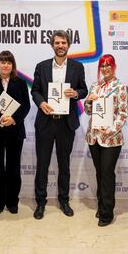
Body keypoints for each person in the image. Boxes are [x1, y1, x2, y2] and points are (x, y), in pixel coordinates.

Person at [31, 30, 88, 219]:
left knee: (64, 164)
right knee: (42, 164)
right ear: (52, 45)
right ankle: (40, 202)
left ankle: (64, 200)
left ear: (68, 45)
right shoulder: (42, 66)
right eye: (57, 43)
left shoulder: (77, 67)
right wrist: (41, 103)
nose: (60, 46)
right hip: (46, 122)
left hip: (66, 123)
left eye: (64, 43)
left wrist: (76, 94)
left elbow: (84, 89)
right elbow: (36, 90)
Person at [84, 54, 128, 227]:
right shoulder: (94, 86)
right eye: (102, 65)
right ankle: (101, 205)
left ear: (114, 66)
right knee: (100, 173)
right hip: (94, 136)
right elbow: (89, 111)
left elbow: (123, 114)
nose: (105, 68)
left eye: (108, 65)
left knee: (107, 174)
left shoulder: (121, 87)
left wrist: (110, 130)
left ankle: (107, 212)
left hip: (111, 138)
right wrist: (89, 101)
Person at [0, 50, 30, 216]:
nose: (5, 65)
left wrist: (13, 119)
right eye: (2, 62)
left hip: (15, 131)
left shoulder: (20, 83)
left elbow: (25, 106)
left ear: (13, 65)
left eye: (9, 62)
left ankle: (12, 201)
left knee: (13, 168)